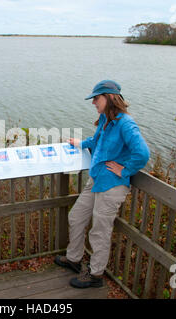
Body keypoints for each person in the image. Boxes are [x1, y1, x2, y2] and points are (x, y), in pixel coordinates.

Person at [54, 79, 150, 288]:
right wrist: (79, 143)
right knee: (76, 216)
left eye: (96, 98)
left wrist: (125, 170)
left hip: (112, 186)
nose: (93, 102)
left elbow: (142, 153)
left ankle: (95, 275)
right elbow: (96, 141)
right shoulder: (105, 120)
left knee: (99, 231)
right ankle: (74, 259)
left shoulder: (125, 123)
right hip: (96, 180)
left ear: (109, 97)